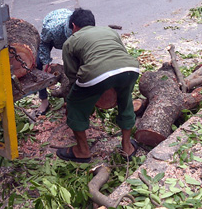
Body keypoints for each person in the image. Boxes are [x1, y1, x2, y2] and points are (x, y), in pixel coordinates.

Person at [56, 8, 140, 163]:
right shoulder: (110, 32)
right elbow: (119, 55)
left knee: (74, 103)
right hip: (130, 68)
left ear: (74, 26)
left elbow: (72, 75)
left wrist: (87, 97)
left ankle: (82, 151)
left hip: (98, 74)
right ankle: (127, 147)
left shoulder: (70, 42)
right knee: (126, 101)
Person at [35, 8, 73, 116]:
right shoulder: (51, 29)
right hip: (51, 38)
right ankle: (44, 101)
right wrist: (45, 62)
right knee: (38, 63)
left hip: (72, 42)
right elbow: (43, 43)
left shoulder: (82, 30)